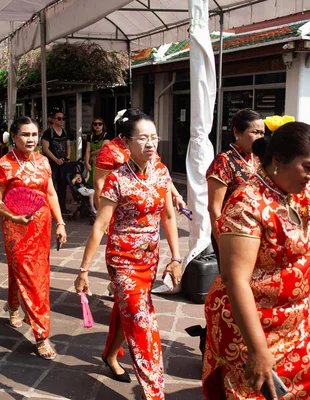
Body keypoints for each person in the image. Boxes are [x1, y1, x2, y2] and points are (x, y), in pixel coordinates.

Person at [202, 120, 310, 399]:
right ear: (279, 159)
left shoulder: (306, 195)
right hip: (248, 325)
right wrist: (258, 349)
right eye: (307, 167)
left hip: (295, 322)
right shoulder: (247, 202)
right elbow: (236, 280)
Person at [74, 112, 182, 400]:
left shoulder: (162, 172)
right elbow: (100, 225)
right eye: (143, 137)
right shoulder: (117, 180)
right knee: (142, 320)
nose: (150, 143)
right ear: (126, 142)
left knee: (130, 309)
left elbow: (169, 217)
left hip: (150, 257)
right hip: (122, 259)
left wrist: (176, 257)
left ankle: (110, 355)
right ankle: (155, 392)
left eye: (154, 137)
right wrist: (84, 270)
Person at [0, 116, 67, 360]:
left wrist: (60, 223)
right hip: (16, 228)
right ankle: (42, 334)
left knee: (31, 272)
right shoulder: (4, 165)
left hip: (41, 227)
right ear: (13, 136)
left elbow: (51, 193)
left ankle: (13, 306)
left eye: (34, 134)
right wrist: (12, 217)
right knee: (33, 280)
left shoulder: (44, 161)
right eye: (25, 134)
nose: (31, 139)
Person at [206, 109, 264, 258]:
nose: (260, 137)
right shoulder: (224, 161)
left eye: (262, 133)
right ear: (237, 132)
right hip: (232, 232)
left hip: (258, 231)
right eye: (255, 132)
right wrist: (221, 241)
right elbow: (214, 208)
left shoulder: (259, 159)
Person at [42, 110, 70, 213]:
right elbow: (45, 148)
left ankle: (62, 208)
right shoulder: (48, 132)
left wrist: (67, 157)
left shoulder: (65, 131)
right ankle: (50, 208)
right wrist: (55, 159)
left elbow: (68, 144)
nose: (61, 120)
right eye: (59, 118)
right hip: (51, 163)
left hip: (62, 163)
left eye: (63, 118)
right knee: (51, 186)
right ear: (53, 119)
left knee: (63, 186)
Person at [85, 117, 109, 186]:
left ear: (103, 125)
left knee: (101, 182)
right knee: (91, 181)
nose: (97, 126)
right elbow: (87, 150)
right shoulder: (90, 136)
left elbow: (103, 149)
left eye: (100, 124)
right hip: (92, 161)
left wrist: (92, 153)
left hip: (102, 160)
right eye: (95, 124)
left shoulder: (106, 135)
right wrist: (86, 162)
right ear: (92, 126)